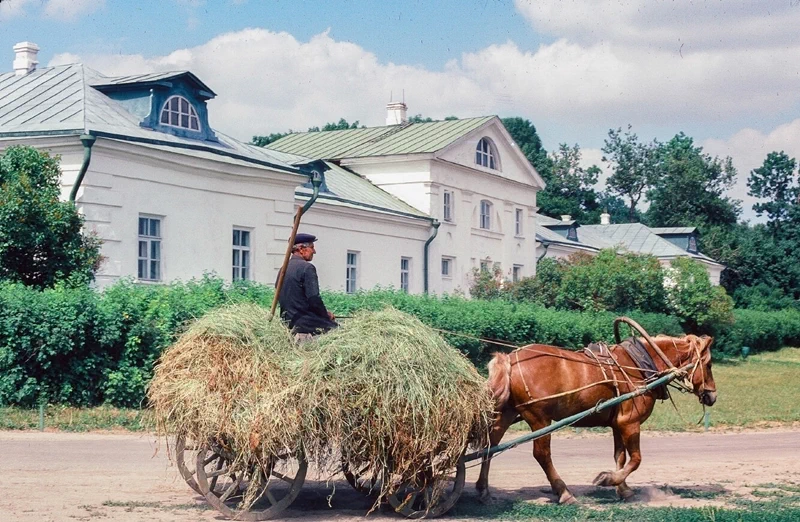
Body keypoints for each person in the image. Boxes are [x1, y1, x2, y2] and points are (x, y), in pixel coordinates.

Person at [276, 232, 337, 340]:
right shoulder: (307, 268)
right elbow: (314, 299)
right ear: (301, 249)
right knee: (342, 333)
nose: (314, 251)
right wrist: (326, 316)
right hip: (306, 324)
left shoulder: (283, 269)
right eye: (312, 247)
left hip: (288, 323)